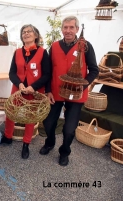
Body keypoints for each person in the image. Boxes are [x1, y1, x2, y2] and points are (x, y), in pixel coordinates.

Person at [40, 16, 99, 166]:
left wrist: (82, 86)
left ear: (77, 29)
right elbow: (48, 71)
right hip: (56, 92)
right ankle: (50, 142)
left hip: (77, 95)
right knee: (48, 123)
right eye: (65, 27)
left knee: (69, 130)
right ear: (61, 29)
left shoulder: (85, 46)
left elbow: (94, 70)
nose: (68, 30)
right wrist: (48, 91)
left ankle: (64, 151)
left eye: (71, 27)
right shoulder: (54, 47)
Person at [0, 24, 51, 159]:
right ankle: (7, 136)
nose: (26, 34)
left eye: (29, 31)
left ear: (36, 35)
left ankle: (26, 144)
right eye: (24, 32)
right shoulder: (17, 52)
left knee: (31, 117)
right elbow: (12, 73)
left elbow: (47, 74)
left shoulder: (42, 52)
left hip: (35, 91)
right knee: (11, 112)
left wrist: (33, 87)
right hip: (18, 89)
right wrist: (19, 84)